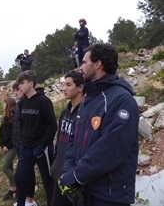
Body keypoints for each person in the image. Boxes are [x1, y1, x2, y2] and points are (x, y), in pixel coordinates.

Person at [58, 43, 139, 206]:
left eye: (84, 62)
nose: (80, 67)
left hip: (109, 195)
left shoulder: (121, 100)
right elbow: (74, 137)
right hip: (85, 191)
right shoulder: (89, 99)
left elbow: (110, 150)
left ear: (98, 64)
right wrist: (68, 170)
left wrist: (75, 176)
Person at [14, 70, 57, 206]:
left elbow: (52, 125)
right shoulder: (22, 103)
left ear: (31, 83)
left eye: (22, 83)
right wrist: (22, 142)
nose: (19, 86)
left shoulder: (43, 101)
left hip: (41, 148)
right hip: (26, 148)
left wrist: (42, 145)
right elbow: (21, 124)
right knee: (19, 177)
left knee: (48, 181)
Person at [50, 70, 84, 206]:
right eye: (64, 85)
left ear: (80, 87)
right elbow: (59, 139)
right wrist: (55, 165)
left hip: (74, 177)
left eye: (68, 85)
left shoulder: (85, 114)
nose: (64, 89)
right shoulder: (65, 112)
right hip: (59, 172)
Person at [12, 82, 37, 206]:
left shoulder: (27, 105)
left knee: (29, 172)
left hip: (26, 144)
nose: (16, 92)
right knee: (22, 175)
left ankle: (29, 199)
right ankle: (23, 199)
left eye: (18, 90)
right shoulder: (19, 104)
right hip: (19, 144)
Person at [0, 97, 17, 201]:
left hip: (12, 147)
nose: (2, 105)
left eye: (4, 103)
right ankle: (12, 189)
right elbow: (1, 134)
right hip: (5, 147)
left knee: (4, 167)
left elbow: (14, 136)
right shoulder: (5, 118)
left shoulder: (15, 118)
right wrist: (2, 145)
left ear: (8, 105)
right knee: (9, 168)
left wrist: (7, 146)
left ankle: (16, 187)